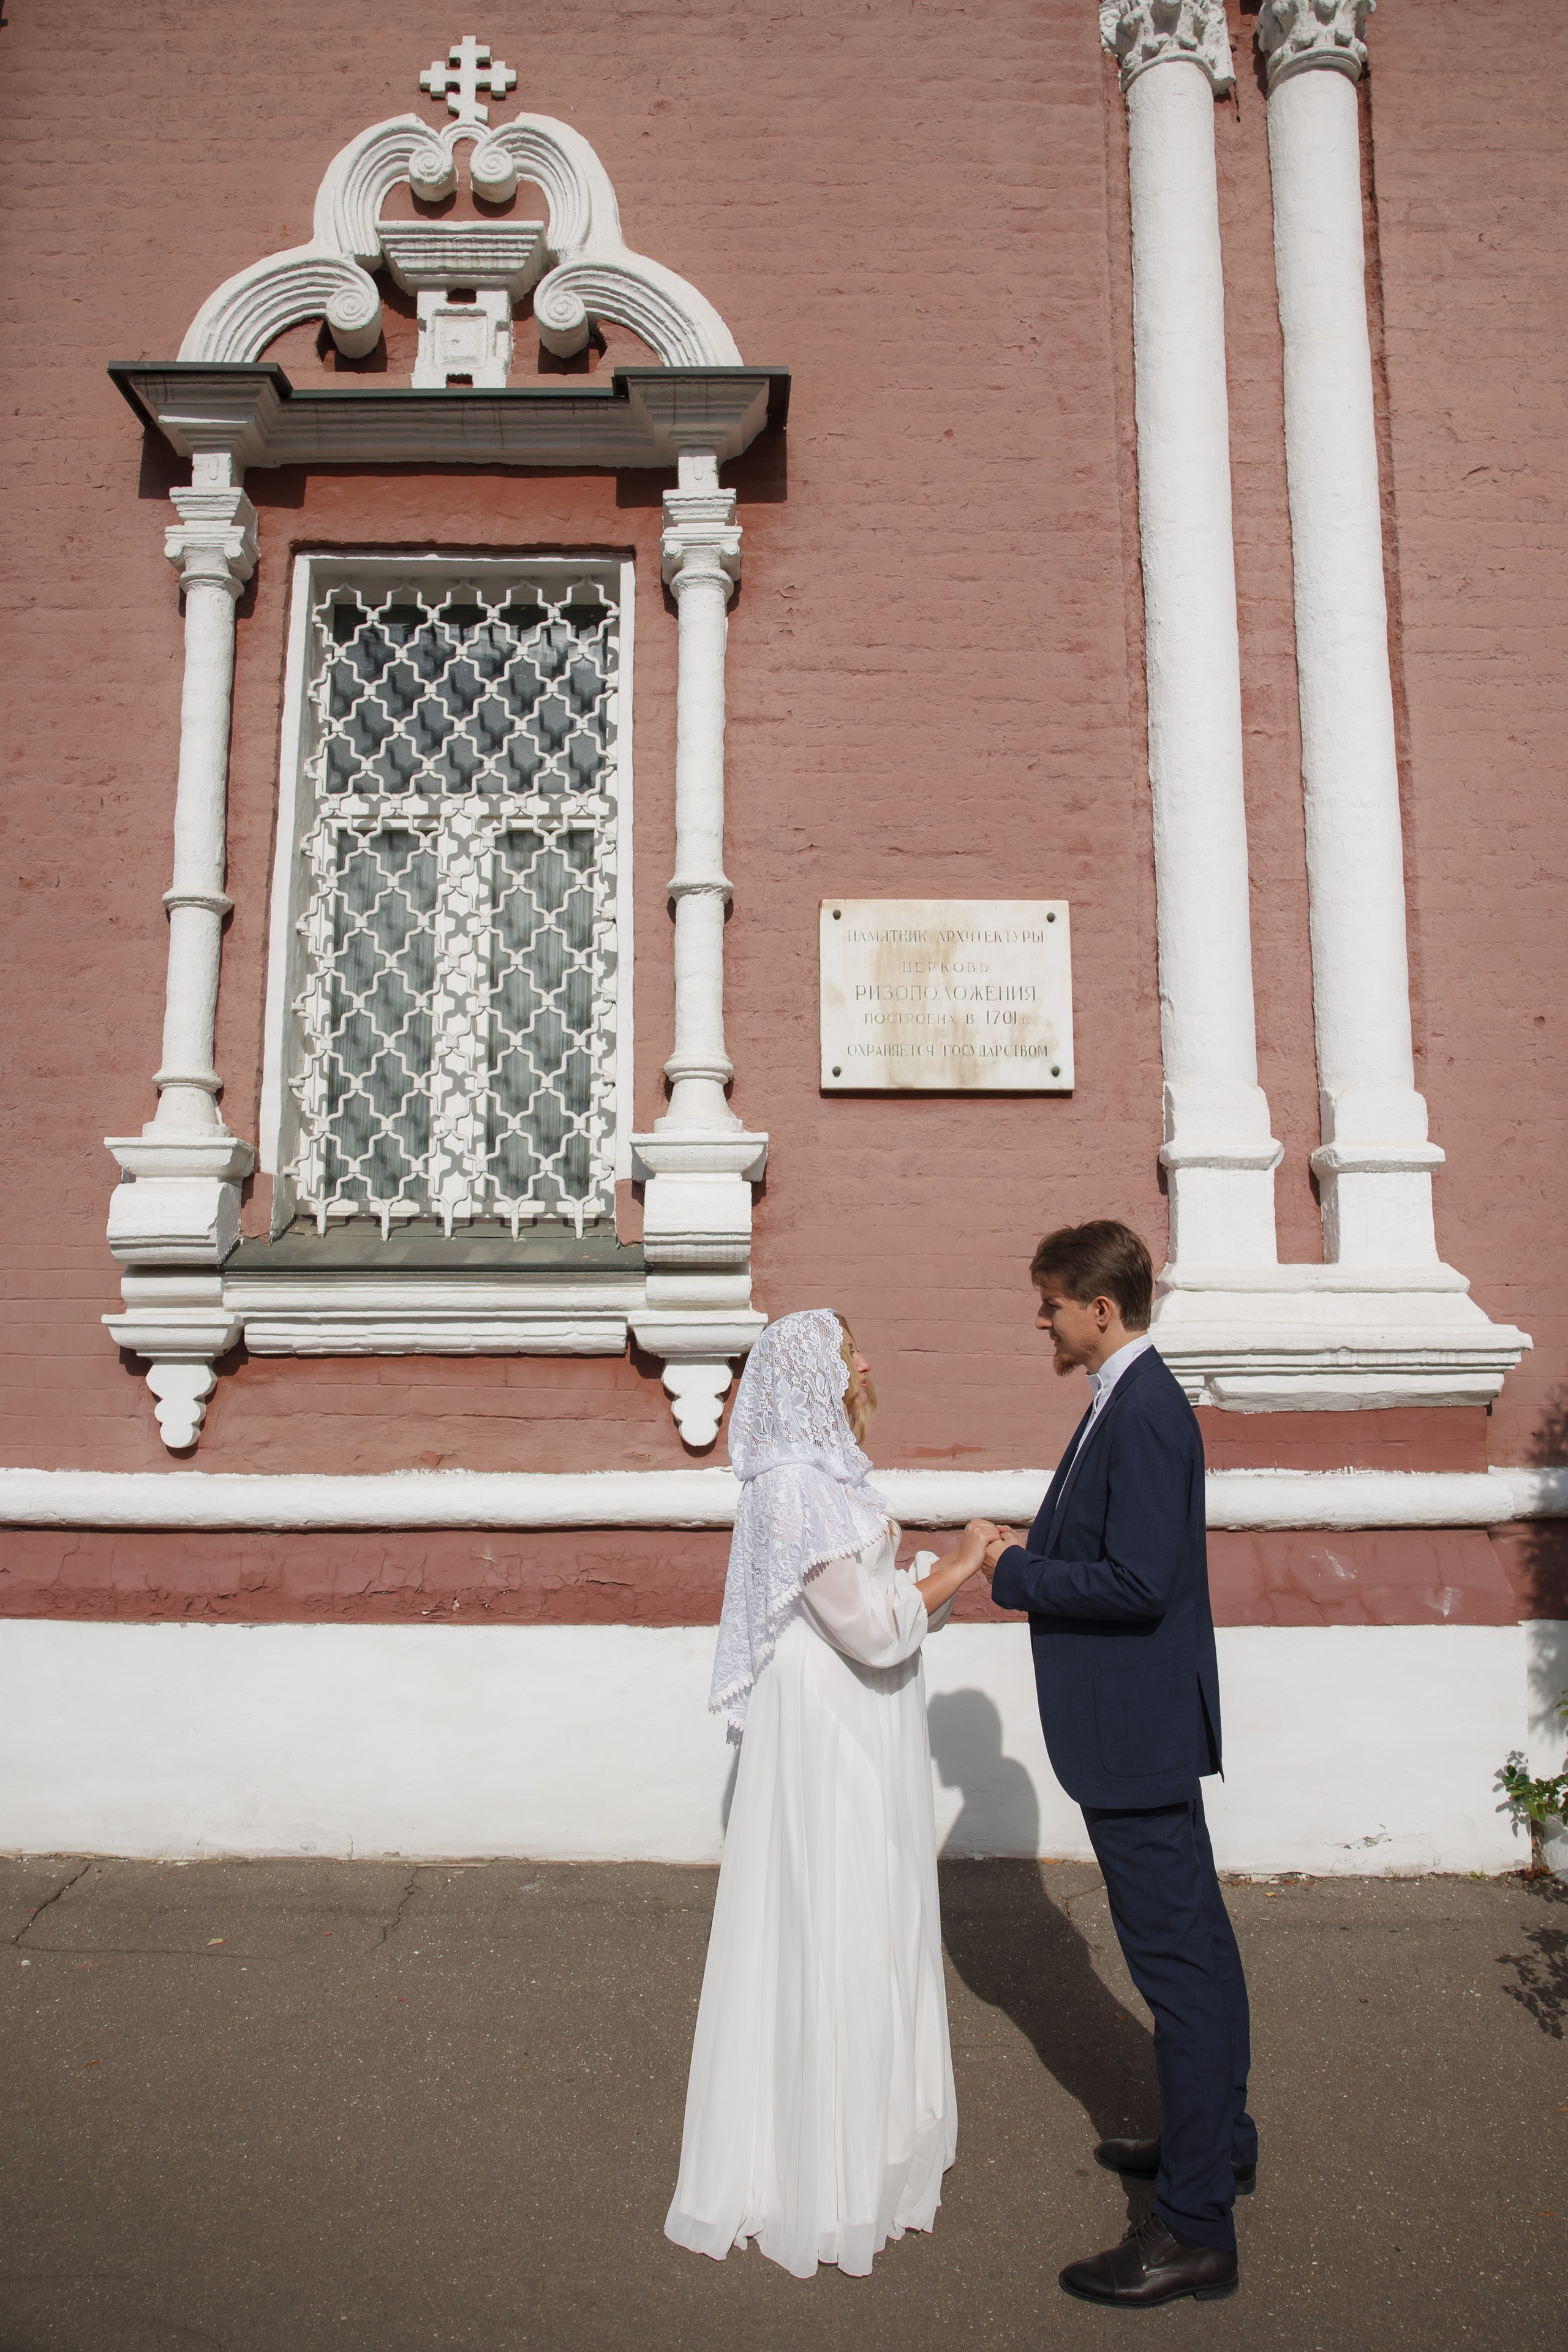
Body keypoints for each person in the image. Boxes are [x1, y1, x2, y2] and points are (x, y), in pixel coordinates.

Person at [663, 1307, 997, 2278]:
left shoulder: (825, 1475)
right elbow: (870, 1628)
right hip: (833, 1722)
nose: (867, 1360)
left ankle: (864, 2133)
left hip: (855, 1710)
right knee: (838, 1911)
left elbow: (869, 1601)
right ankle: (824, 2167)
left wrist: (921, 1574)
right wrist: (965, 1568)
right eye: (849, 1349)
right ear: (811, 1372)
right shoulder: (800, 1487)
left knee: (858, 1908)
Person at [982, 1220, 1256, 2310]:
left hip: (1132, 1732)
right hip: (1137, 1727)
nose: (1040, 1319)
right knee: (1197, 1952)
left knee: (1179, 1972)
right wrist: (1038, 1553)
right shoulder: (1127, 1399)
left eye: (1050, 1303)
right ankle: (1215, 2142)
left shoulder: (1142, 1410)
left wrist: (1013, 1574)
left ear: (1103, 1309)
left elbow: (1138, 1583)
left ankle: (1193, 2229)